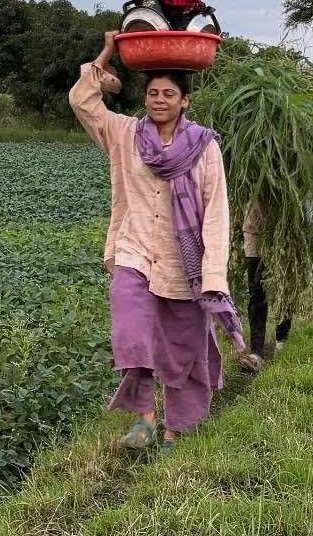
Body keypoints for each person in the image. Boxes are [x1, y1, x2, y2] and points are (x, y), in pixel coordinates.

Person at [68, 31, 254, 453]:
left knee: (182, 346)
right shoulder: (125, 135)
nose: (158, 99)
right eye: (152, 92)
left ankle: (176, 429)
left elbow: (217, 212)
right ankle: (145, 420)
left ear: (184, 101)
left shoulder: (204, 147)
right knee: (131, 327)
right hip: (134, 249)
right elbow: (83, 102)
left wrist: (212, 276)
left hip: (183, 261)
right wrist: (107, 54)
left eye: (169, 93)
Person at [238, 201, 291, 373]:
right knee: (256, 291)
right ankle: (257, 352)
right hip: (254, 227)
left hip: (285, 228)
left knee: (285, 285)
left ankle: (282, 338)